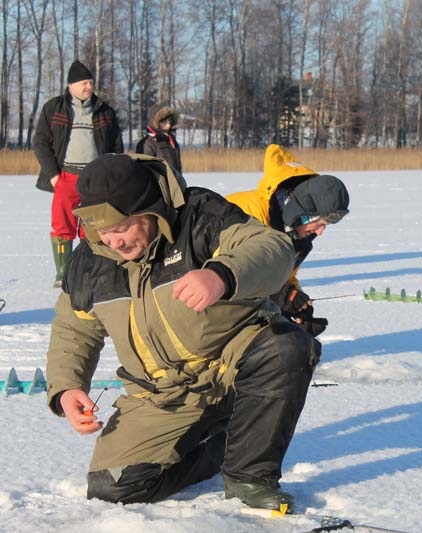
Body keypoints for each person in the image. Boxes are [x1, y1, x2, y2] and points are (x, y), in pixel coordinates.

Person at [45, 153, 320, 513]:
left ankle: (249, 477)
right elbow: (73, 327)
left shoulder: (199, 214)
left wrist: (222, 274)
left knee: (285, 347)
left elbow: (271, 248)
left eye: (121, 228)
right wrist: (67, 386)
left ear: (150, 210)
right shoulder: (89, 261)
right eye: (103, 231)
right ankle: (221, 446)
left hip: (230, 364)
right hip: (162, 393)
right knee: (112, 486)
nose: (113, 241)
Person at [227, 144, 350, 337]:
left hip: (245, 305)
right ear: (302, 214)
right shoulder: (249, 213)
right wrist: (285, 297)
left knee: (302, 349)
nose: (320, 233)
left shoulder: (297, 235)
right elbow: (231, 275)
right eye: (319, 224)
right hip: (205, 305)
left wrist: (296, 303)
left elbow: (283, 276)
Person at [33, 60, 124, 287]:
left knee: (92, 224)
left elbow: (116, 145)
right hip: (65, 176)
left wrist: (110, 174)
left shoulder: (104, 111)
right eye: (84, 83)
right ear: (71, 85)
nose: (89, 87)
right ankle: (63, 273)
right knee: (62, 225)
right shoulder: (54, 108)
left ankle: (87, 269)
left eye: (91, 83)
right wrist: (54, 175)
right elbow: (41, 142)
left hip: (95, 178)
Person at [135, 106, 182, 173]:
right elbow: (145, 171)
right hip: (158, 182)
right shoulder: (147, 143)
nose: (168, 125)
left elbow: (178, 168)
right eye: (164, 122)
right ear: (156, 122)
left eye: (170, 122)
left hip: (174, 181)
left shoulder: (171, 140)